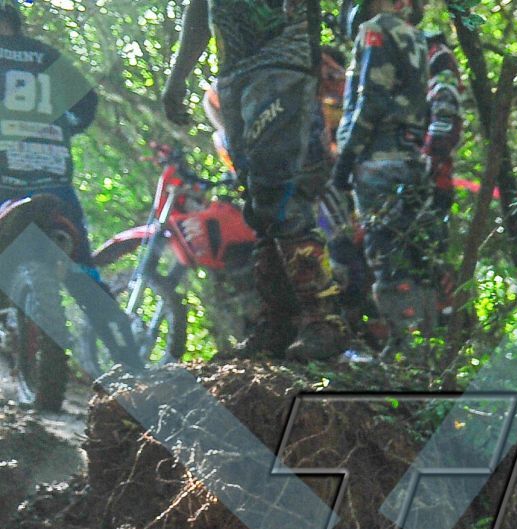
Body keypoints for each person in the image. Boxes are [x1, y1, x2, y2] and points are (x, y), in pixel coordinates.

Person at [162, 0, 349, 360]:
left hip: (281, 63)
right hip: (234, 75)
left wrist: (310, 65)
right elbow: (200, 8)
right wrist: (177, 79)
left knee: (279, 194)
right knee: (258, 204)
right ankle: (280, 324)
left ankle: (324, 320)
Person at [332, 0, 434, 351]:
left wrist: (347, 157)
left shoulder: (375, 29)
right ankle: (429, 344)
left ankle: (406, 349)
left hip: (378, 158)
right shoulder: (415, 36)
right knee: (415, 253)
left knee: (387, 255)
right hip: (411, 157)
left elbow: (371, 101)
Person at [0, 0, 99, 266]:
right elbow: (88, 103)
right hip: (55, 180)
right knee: (83, 272)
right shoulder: (48, 56)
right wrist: (59, 130)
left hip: (5, 182)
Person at [420, 29, 464, 324]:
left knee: (431, 251)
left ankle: (449, 317)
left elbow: (446, 121)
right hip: (421, 177)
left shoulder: (438, 60)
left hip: (433, 180)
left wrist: (427, 161)